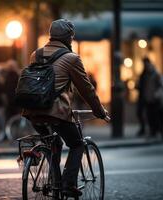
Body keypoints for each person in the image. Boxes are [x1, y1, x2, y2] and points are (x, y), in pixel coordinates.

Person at [22, 19, 108, 197]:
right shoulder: (71, 59)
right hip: (57, 113)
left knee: (54, 144)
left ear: (51, 36)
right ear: (69, 38)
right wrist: (99, 111)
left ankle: (55, 180)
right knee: (77, 144)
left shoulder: (35, 54)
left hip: (32, 111)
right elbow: (87, 89)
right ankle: (68, 184)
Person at [142, 57, 163, 139]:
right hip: (148, 99)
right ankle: (153, 132)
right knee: (150, 117)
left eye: (148, 66)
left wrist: (156, 94)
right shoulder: (145, 75)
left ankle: (159, 132)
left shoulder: (156, 75)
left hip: (156, 99)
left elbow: (160, 86)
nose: (147, 67)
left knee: (157, 117)